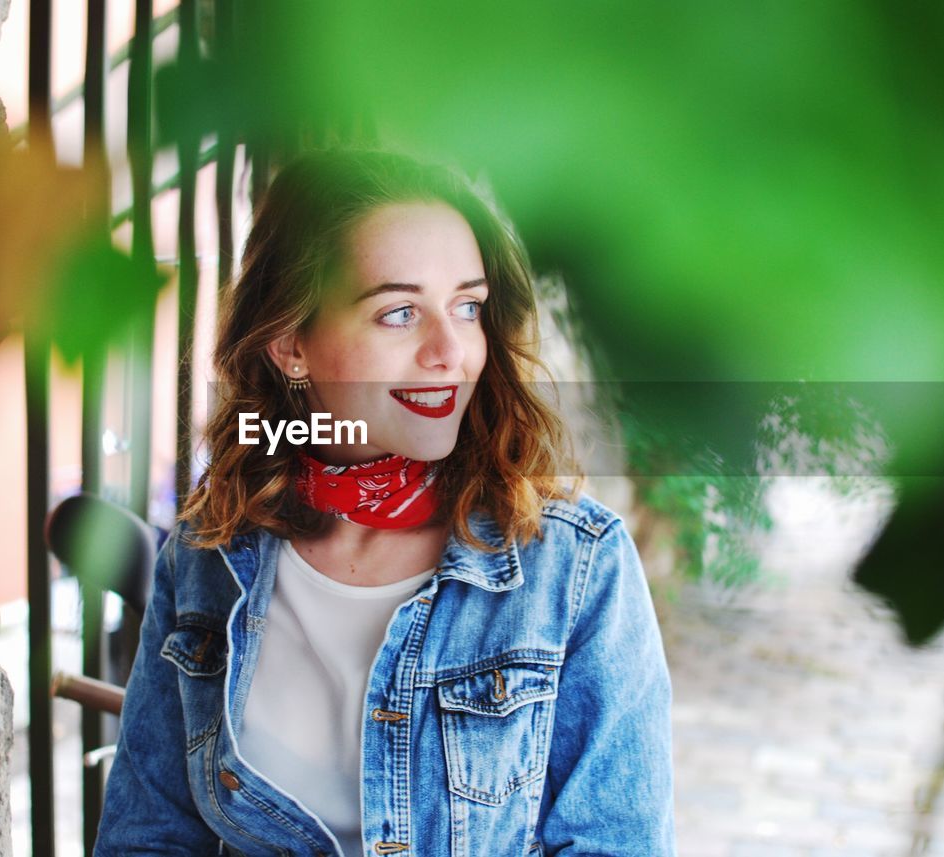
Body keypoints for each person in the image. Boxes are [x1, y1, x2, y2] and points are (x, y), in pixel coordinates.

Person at [95, 149, 674, 856]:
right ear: (289, 343)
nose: (450, 350)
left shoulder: (576, 568)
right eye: (399, 312)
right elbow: (147, 836)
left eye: (468, 306)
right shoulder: (207, 554)